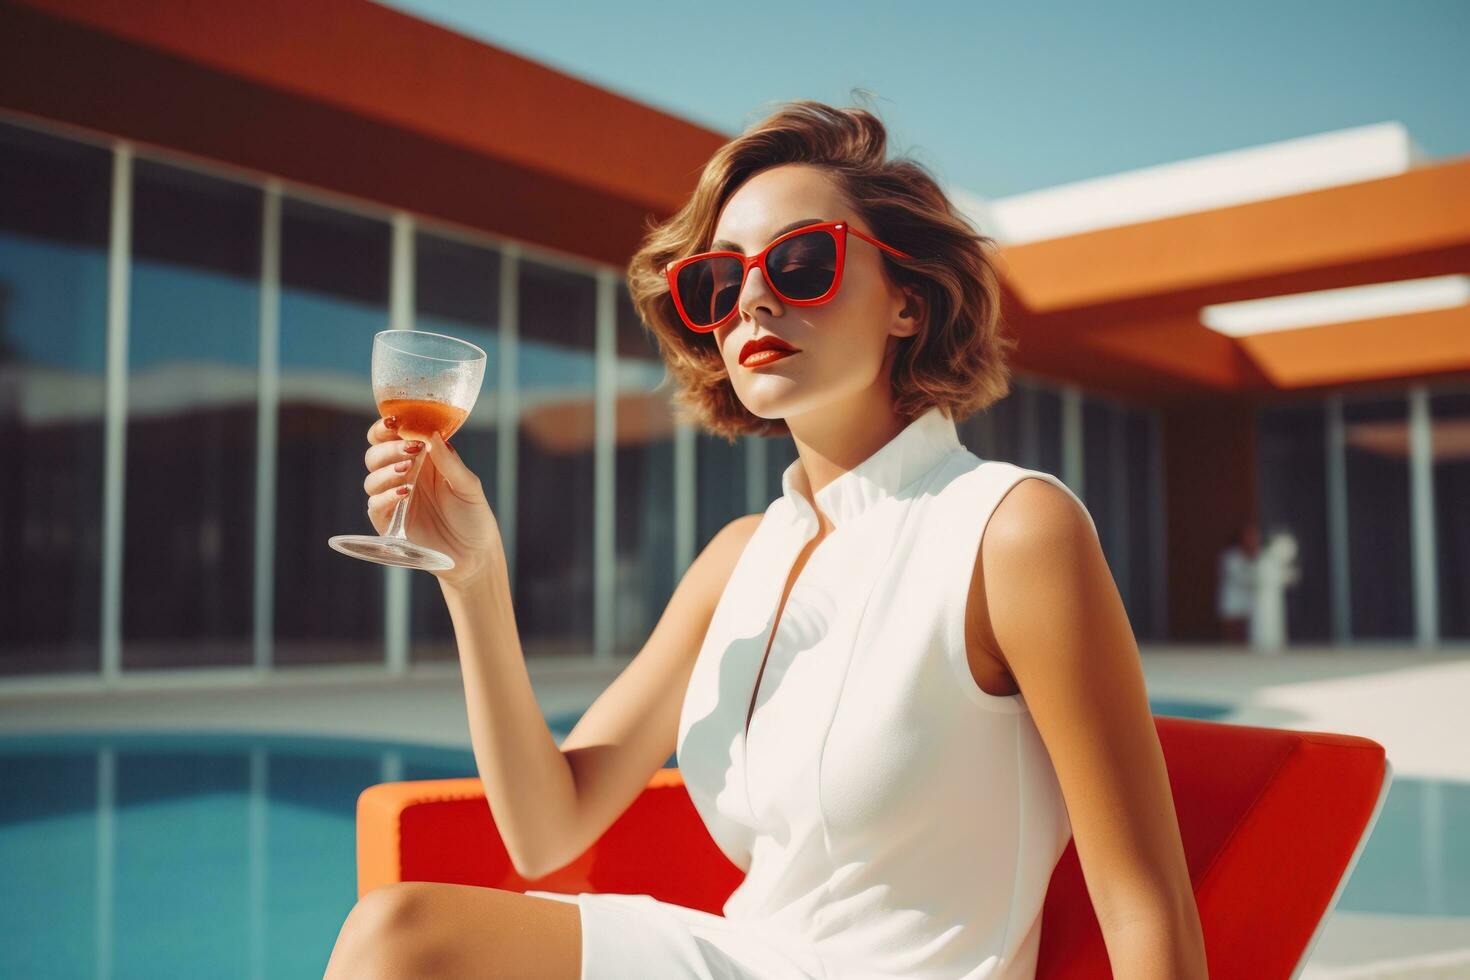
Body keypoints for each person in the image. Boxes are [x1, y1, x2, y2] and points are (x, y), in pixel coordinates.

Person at [325, 100, 1207, 979]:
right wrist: (473, 576)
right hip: (748, 955)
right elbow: (544, 827)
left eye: (801, 261)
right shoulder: (741, 556)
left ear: (907, 301)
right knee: (401, 933)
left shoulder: (1010, 529)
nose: (752, 297)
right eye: (718, 279)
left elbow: (1143, 901)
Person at [1250, 526, 1301, 654]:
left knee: (1274, 621)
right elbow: (1266, 578)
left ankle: (1273, 643)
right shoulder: (1265, 560)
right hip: (1264, 598)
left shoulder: (1271, 561)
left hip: (1273, 597)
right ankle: (1265, 643)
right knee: (1266, 621)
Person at [1217, 523, 1258, 645]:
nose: (1251, 540)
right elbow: (1242, 578)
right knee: (1232, 640)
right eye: (1248, 537)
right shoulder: (1230, 557)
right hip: (1232, 605)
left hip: (1251, 605)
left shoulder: (1260, 556)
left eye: (1254, 537)